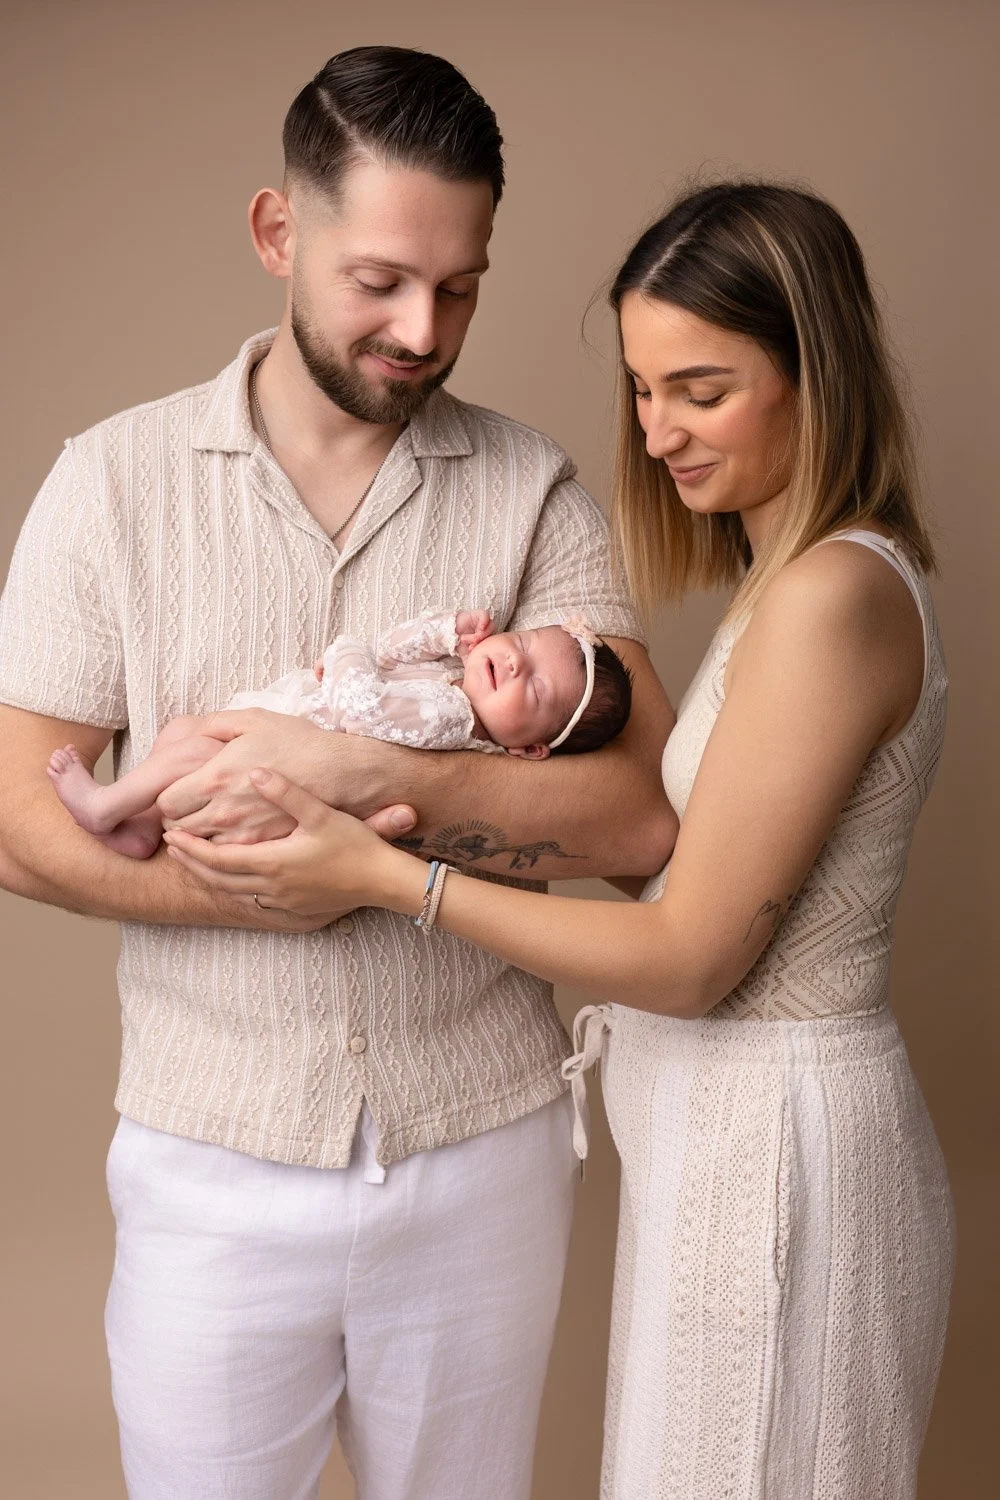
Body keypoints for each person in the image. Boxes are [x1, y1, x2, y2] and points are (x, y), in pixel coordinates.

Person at [168, 182, 955, 1499]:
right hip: (727, 1148)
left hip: (782, 1166)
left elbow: (690, 955)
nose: (658, 435)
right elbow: (677, 864)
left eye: (702, 390)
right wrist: (445, 762)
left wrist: (386, 875)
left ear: (815, 371)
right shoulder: (796, 582)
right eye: (645, 392)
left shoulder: (832, 596)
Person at [0, 47, 676, 1500]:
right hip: (210, 1155)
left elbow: (633, 818)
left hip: (482, 1150)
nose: (423, 328)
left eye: (462, 285)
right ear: (277, 232)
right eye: (380, 280)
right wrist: (266, 896)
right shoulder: (110, 485)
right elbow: (11, 813)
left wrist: (372, 783)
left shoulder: (534, 490)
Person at [46, 608, 633, 858]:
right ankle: (144, 827)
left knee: (194, 749)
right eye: (524, 645)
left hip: (280, 759)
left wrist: (346, 650)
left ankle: (104, 807)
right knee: (181, 732)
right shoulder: (453, 683)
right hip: (277, 726)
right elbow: (392, 650)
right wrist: (446, 631)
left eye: (532, 688)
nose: (513, 665)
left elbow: (362, 709)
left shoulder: (452, 720)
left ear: (526, 748)